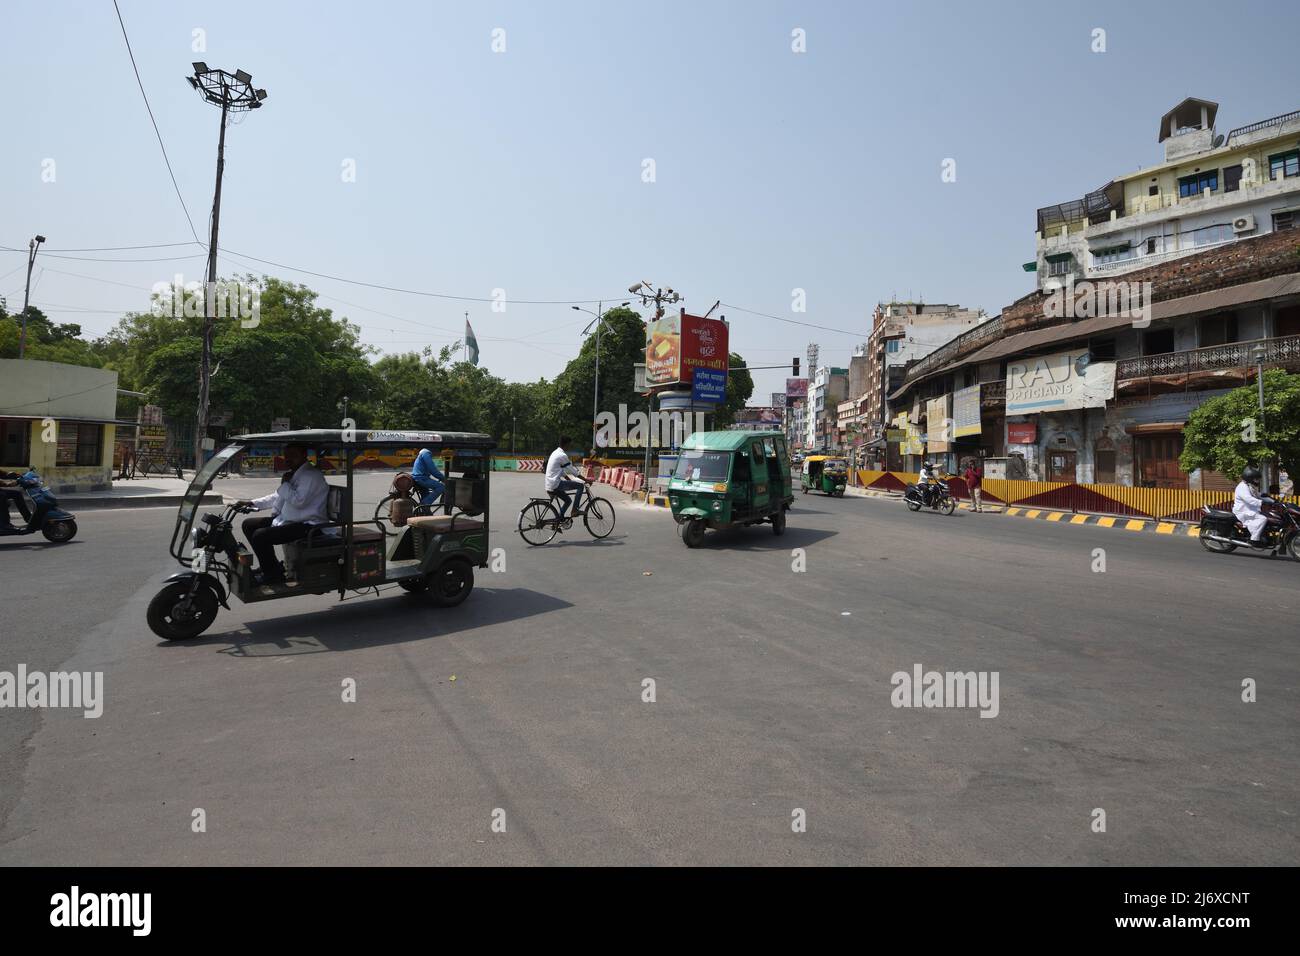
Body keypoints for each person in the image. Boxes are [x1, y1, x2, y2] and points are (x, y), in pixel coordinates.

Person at [235, 443, 330, 584]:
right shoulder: (295, 474)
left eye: (293, 456)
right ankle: (271, 567)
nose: (288, 459)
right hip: (291, 520)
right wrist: (252, 503)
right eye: (286, 456)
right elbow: (278, 496)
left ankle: (272, 575)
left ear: (304, 455)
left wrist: (285, 484)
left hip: (309, 526)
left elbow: (299, 501)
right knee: (249, 525)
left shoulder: (310, 476)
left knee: (261, 536)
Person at [545, 435, 590, 521]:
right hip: (555, 484)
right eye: (570, 445)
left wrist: (568, 479)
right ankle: (575, 510)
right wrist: (586, 480)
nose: (570, 447)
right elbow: (573, 471)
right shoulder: (562, 455)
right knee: (580, 486)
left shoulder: (555, 452)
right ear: (566, 444)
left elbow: (560, 471)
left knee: (568, 501)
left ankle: (558, 519)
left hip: (549, 484)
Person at [1232, 465, 1271, 550]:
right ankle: (1254, 539)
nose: (1257, 481)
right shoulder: (1242, 487)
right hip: (1243, 512)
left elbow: (1257, 495)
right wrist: (1262, 502)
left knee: (1268, 517)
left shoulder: (1250, 485)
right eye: (1256, 479)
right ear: (1250, 478)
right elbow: (1249, 499)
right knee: (1262, 519)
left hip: (1250, 511)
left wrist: (1270, 499)